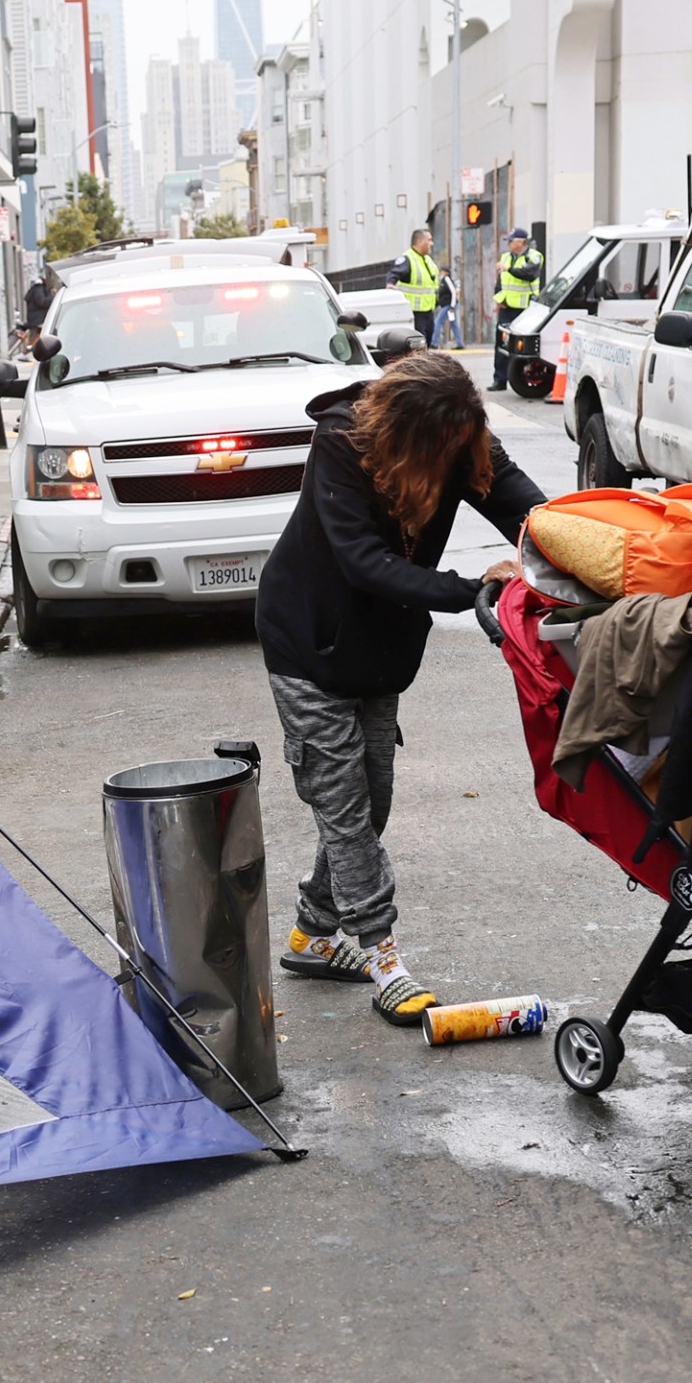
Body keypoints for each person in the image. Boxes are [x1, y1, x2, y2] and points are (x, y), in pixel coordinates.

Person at [254, 350, 552, 1023]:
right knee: (345, 808)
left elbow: (526, 510)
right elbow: (364, 562)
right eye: (442, 446)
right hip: (307, 641)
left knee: (372, 798)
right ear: (411, 435)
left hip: (379, 648)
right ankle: (380, 953)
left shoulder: (459, 437)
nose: (455, 455)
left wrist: (577, 555)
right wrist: (473, 587)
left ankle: (310, 932)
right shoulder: (342, 445)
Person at [490, 230, 544, 388]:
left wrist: (508, 269)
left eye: (511, 241)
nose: (508, 244)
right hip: (507, 308)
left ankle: (526, 379)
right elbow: (500, 282)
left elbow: (529, 274)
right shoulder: (505, 257)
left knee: (527, 347)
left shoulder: (534, 256)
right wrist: (499, 299)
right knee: (502, 344)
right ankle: (499, 380)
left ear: (520, 242)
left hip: (526, 310)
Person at [401, 227, 449, 350]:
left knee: (427, 344)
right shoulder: (407, 259)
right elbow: (393, 277)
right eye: (429, 240)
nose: (432, 243)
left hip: (428, 309)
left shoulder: (427, 260)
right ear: (420, 241)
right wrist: (390, 284)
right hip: (415, 311)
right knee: (418, 346)